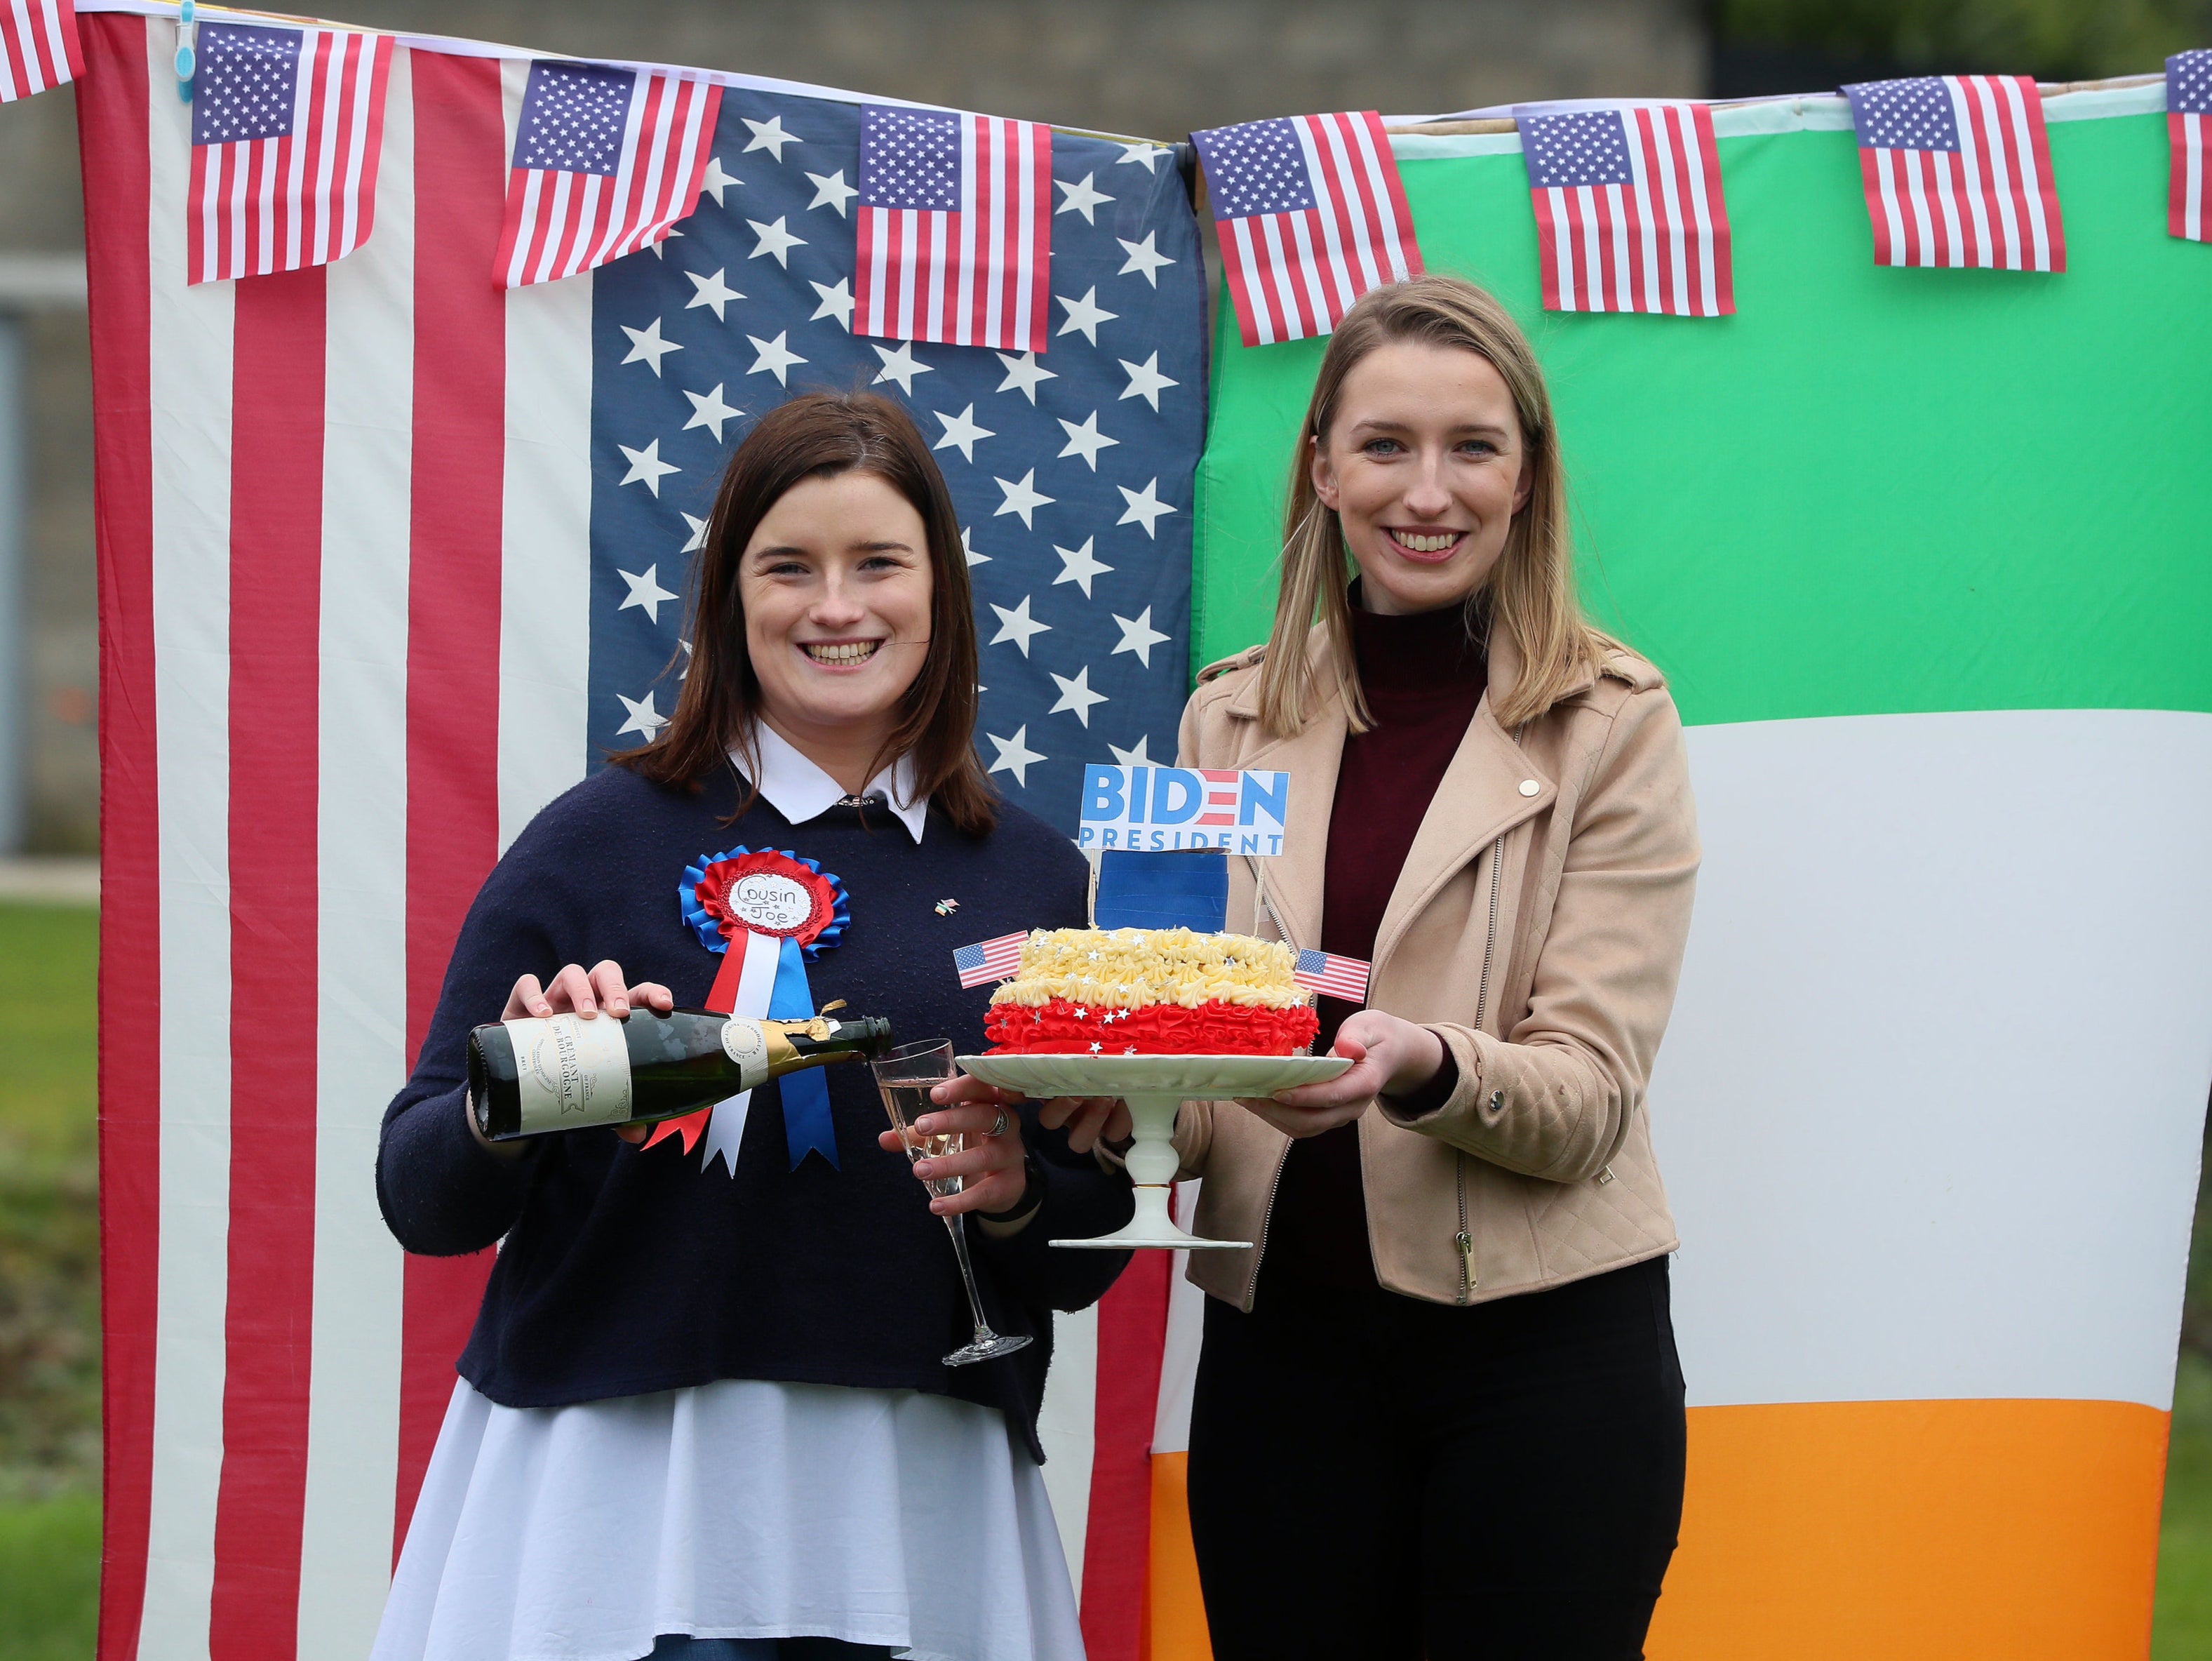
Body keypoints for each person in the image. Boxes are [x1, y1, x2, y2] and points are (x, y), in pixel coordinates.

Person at [370, 391, 1131, 1661]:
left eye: (878, 563)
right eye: (790, 567)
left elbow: (1078, 1251)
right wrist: (524, 1085)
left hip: (917, 1497)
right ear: (730, 596)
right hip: (611, 1498)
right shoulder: (592, 841)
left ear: (939, 591)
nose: (837, 607)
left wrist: (1015, 1196)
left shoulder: (1034, 881)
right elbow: (421, 1196)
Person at [1174, 274, 1698, 1659]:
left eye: (1473, 445)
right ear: (1322, 467)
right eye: (1384, 444)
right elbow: (1187, 1033)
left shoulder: (1613, 723)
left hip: (1543, 1362)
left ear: (1527, 476)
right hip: (1278, 1352)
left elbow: (1588, 1095)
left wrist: (1416, 1061)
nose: (1427, 489)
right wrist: (1110, 1083)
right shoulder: (1222, 718)